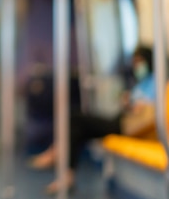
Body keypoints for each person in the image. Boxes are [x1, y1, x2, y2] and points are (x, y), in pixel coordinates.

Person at [28, 45, 156, 194]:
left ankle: (58, 156)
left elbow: (151, 111)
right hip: (122, 119)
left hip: (130, 126)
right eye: (135, 62)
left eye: (140, 61)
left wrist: (134, 104)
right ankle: (61, 163)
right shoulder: (142, 83)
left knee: (76, 121)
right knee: (76, 125)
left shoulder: (156, 82)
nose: (137, 66)